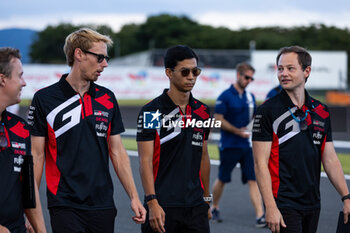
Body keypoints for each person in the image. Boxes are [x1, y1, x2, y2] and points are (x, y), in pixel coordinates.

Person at [27, 28, 146, 233]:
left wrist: (134, 197)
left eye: (106, 58)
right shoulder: (44, 99)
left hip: (103, 204)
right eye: (100, 57)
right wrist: (30, 208)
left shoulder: (107, 99)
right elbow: (36, 156)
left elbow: (117, 152)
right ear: (79, 54)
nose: (105, 64)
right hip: (64, 203)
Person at [252, 45, 350, 233]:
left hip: (313, 202)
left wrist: (346, 197)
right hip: (283, 202)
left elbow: (329, 159)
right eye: (280, 69)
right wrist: (270, 207)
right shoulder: (267, 111)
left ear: (306, 71)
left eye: (290, 68)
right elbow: (259, 163)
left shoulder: (321, 111)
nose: (283, 74)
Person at [137, 45, 212, 233]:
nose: (191, 77)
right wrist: (152, 202)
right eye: (185, 71)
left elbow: (203, 156)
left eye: (195, 71)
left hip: (196, 208)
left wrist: (206, 200)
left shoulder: (203, 112)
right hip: (162, 206)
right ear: (169, 73)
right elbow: (145, 161)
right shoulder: (151, 111)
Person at [210, 62, 266, 227]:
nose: (249, 80)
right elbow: (218, 120)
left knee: (253, 179)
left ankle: (260, 216)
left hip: (247, 146)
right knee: (222, 179)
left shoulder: (251, 97)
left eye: (251, 78)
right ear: (239, 75)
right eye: (247, 77)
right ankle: (214, 207)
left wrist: (249, 130)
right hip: (229, 144)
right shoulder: (225, 96)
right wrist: (237, 131)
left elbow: (255, 118)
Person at [0, 47, 46, 233]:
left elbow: (29, 187)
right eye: (20, 76)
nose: (24, 83)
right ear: (2, 79)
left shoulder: (21, 128)